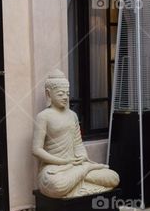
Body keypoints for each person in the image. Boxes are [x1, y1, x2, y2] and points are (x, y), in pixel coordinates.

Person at [32, 70, 119, 199]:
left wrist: (82, 156)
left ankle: (82, 174)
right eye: (60, 94)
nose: (65, 97)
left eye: (67, 94)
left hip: (75, 165)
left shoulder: (72, 115)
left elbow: (78, 143)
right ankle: (86, 171)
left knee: (113, 177)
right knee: (57, 185)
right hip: (55, 169)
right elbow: (36, 150)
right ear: (48, 94)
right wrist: (63, 162)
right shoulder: (43, 117)